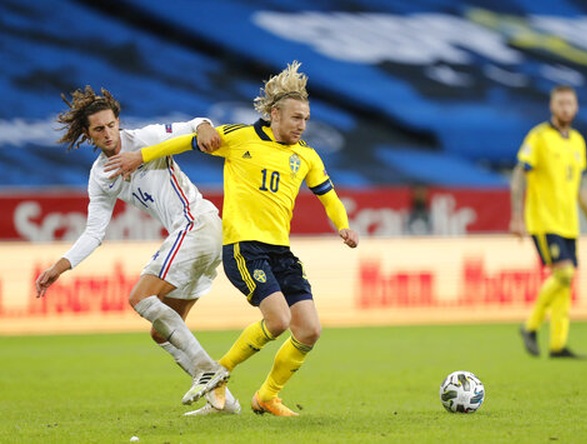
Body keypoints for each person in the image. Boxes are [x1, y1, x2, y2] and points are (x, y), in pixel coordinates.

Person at [105, 61, 360, 416]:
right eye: (296, 118)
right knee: (277, 321)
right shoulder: (239, 137)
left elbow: (328, 196)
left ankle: (267, 396)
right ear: (274, 114)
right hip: (244, 248)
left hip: (280, 252)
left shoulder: (306, 156)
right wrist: (140, 155)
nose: (302, 125)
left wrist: (343, 225)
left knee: (309, 330)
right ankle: (218, 373)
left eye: (306, 119)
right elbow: (184, 142)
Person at [35, 86, 238, 414]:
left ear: (118, 122)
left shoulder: (146, 138)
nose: (108, 133)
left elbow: (196, 123)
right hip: (192, 236)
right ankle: (223, 403)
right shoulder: (101, 176)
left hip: (196, 223)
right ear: (88, 135)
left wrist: (204, 128)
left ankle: (207, 369)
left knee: (140, 298)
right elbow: (94, 232)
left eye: (111, 124)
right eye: (99, 129)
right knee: (162, 334)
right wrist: (60, 266)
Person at [509, 85, 587, 359]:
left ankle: (558, 345)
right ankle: (529, 327)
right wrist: (516, 216)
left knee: (565, 281)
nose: (565, 108)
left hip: (569, 223)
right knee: (564, 274)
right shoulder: (538, 137)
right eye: (561, 103)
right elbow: (519, 174)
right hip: (543, 220)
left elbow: (581, 188)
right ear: (552, 107)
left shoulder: (578, 142)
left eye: (570, 103)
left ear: (576, 108)